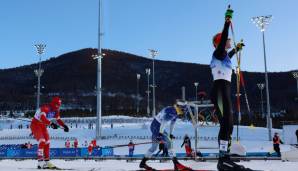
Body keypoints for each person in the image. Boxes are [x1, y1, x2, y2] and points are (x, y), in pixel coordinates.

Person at [210, 7, 250, 171]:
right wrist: (227, 22)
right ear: (220, 42)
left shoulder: (224, 55)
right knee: (225, 123)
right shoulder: (218, 52)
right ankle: (222, 159)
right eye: (226, 41)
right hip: (219, 89)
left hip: (225, 89)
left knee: (230, 124)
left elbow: (230, 54)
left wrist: (237, 49)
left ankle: (225, 157)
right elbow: (224, 37)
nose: (229, 42)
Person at [139, 101, 187, 170]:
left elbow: (172, 124)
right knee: (169, 143)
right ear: (179, 107)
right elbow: (164, 123)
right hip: (157, 126)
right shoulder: (172, 112)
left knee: (154, 147)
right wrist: (160, 134)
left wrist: (171, 134)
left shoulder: (175, 112)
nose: (184, 111)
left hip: (157, 126)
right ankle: (176, 164)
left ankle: (142, 163)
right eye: (183, 109)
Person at [30, 96, 69, 169]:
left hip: (42, 125)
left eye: (59, 105)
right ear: (53, 104)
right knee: (42, 141)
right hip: (35, 125)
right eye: (57, 105)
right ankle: (40, 162)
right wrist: (51, 124)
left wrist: (64, 126)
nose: (58, 107)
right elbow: (42, 118)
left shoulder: (56, 110)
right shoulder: (46, 108)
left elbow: (58, 120)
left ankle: (47, 161)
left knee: (47, 142)